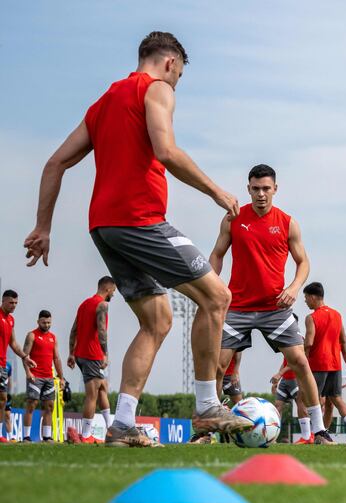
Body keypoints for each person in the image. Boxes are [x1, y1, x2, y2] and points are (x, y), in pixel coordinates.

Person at [24, 31, 249, 447]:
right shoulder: (157, 89)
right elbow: (166, 151)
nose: (176, 83)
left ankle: (123, 423)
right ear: (169, 63)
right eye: (178, 75)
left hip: (104, 228)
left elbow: (55, 162)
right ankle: (206, 406)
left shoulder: (105, 101)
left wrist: (43, 227)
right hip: (140, 221)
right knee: (217, 297)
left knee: (158, 320)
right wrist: (216, 190)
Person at [210, 163, 334, 444]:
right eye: (256, 189)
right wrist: (213, 286)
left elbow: (303, 262)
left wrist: (293, 287)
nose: (261, 194)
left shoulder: (288, 222)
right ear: (248, 189)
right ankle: (209, 429)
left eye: (266, 189)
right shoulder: (232, 219)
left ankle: (319, 430)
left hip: (275, 309)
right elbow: (217, 254)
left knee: (300, 362)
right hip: (237, 307)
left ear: (275, 189)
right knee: (217, 366)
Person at [302, 282, 346, 444]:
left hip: (318, 363)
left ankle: (314, 433)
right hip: (335, 363)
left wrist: (303, 361)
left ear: (313, 297)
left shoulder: (311, 317)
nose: (305, 301)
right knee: (336, 399)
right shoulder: (337, 315)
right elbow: (344, 339)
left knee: (309, 398)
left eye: (306, 298)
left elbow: (309, 342)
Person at [67, 277, 116, 444]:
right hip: (92, 355)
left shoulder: (84, 304)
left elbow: (73, 330)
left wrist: (72, 353)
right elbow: (102, 331)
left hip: (81, 354)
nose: (113, 295)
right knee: (92, 395)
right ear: (108, 289)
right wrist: (105, 353)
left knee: (103, 388)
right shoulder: (102, 305)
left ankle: (111, 429)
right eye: (113, 291)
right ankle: (86, 435)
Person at [22, 310, 65, 443]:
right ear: (38, 322)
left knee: (49, 406)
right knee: (32, 404)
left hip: (49, 377)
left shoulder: (53, 337)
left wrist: (61, 377)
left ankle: (47, 437)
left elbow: (56, 358)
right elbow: (25, 356)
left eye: (48, 322)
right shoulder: (32, 335)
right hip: (35, 376)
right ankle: (26, 437)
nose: (46, 325)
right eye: (44, 322)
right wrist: (28, 373)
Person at [1, 290, 37, 444]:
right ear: (3, 301)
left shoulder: (11, 320)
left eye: (16, 303)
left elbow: (13, 343)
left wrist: (25, 357)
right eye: (11, 303)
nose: (14, 306)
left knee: (2, 399)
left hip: (3, 365)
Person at [271, 357, 312, 444]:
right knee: (277, 406)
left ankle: (307, 436)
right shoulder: (286, 346)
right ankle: (272, 437)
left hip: (295, 379)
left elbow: (294, 362)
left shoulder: (298, 345)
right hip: (284, 380)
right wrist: (278, 379)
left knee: (301, 405)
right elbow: (285, 363)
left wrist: (279, 373)